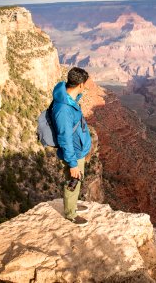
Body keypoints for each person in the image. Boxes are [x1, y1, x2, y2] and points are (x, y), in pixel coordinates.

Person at [51, 67, 92, 226]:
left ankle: (73, 205)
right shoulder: (63, 108)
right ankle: (70, 214)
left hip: (78, 149)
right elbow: (64, 138)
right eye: (85, 84)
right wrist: (73, 163)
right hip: (72, 152)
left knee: (78, 180)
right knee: (73, 181)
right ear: (80, 84)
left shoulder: (69, 99)